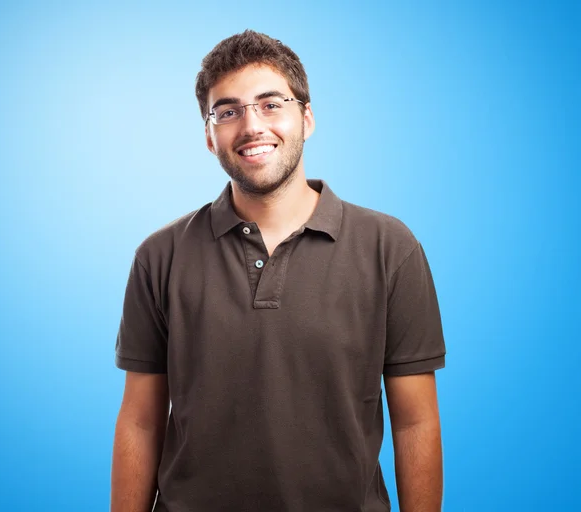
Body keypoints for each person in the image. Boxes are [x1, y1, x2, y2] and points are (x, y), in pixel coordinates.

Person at [111, 29, 446, 512]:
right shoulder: (159, 256)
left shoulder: (390, 248)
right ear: (209, 136)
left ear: (306, 118)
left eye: (271, 104)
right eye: (228, 111)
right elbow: (140, 421)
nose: (251, 126)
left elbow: (415, 422)